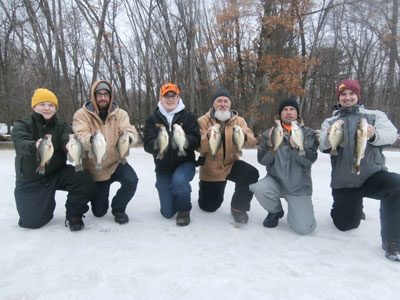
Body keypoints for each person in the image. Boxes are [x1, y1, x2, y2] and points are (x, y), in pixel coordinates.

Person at [319, 79, 400, 262]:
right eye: (343, 95)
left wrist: (374, 135)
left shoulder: (374, 116)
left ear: (358, 96)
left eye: (351, 94)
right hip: (345, 181)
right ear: (339, 99)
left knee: (397, 186)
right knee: (345, 224)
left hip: (372, 175)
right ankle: (349, 206)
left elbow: (392, 134)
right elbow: (322, 145)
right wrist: (329, 135)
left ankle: (393, 241)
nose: (348, 98)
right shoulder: (330, 121)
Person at [11, 88, 96, 231]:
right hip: (31, 179)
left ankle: (74, 214)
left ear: (55, 108)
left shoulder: (61, 125)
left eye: (51, 105)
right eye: (42, 104)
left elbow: (66, 138)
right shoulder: (22, 124)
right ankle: (44, 202)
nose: (47, 108)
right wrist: (35, 145)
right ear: (34, 106)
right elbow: (20, 142)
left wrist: (69, 145)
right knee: (32, 222)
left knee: (83, 177)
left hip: (56, 174)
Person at [73, 80, 139, 224]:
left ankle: (118, 208)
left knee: (132, 180)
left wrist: (128, 138)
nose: (103, 97)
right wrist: (91, 139)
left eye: (106, 94)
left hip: (116, 162)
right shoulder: (81, 114)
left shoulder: (120, 114)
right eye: (99, 94)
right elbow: (80, 134)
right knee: (99, 212)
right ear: (93, 96)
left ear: (110, 96)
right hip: (95, 167)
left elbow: (129, 129)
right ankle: (99, 195)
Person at [249, 98, 318, 235]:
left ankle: (297, 212)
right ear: (280, 114)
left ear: (297, 113)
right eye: (285, 110)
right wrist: (270, 146)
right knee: (259, 188)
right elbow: (263, 161)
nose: (288, 112)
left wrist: (295, 148)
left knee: (304, 229)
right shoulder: (270, 132)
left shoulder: (308, 133)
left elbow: (309, 160)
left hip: (299, 187)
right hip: (276, 182)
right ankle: (275, 211)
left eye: (292, 109)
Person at [197, 88, 259, 223]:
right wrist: (208, 136)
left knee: (251, 173)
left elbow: (252, 143)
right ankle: (204, 186)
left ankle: (238, 208)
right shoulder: (203, 121)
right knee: (208, 207)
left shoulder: (239, 121)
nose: (222, 104)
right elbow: (198, 147)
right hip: (211, 168)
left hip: (231, 164)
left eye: (226, 101)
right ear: (214, 103)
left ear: (230, 104)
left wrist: (245, 136)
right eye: (219, 101)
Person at [143, 83, 200, 226]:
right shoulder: (152, 119)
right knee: (167, 213)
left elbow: (197, 139)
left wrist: (183, 138)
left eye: (173, 96)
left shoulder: (189, 116)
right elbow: (147, 144)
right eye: (166, 96)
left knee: (179, 181)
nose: (170, 99)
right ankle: (175, 194)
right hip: (163, 167)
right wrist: (160, 143)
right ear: (160, 98)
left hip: (185, 163)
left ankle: (184, 210)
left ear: (178, 97)